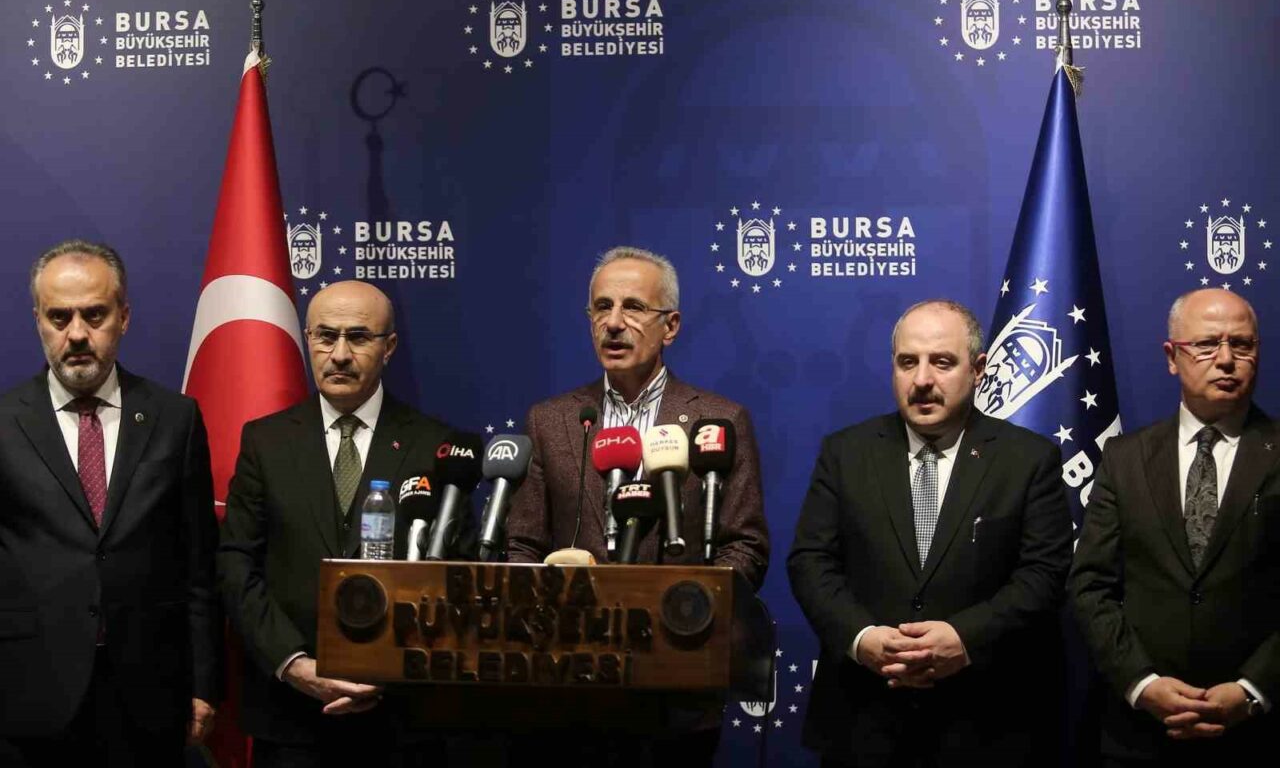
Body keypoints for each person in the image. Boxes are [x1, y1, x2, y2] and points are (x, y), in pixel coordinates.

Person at [504, 246, 770, 765]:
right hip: (569, 685)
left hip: (677, 687)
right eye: (602, 307)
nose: (613, 323)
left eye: (633, 308)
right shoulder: (551, 420)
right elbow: (522, 544)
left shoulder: (719, 420)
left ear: (670, 326)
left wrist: (687, 610)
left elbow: (746, 547)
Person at [788, 299, 1072, 766]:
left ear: (978, 369)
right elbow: (811, 562)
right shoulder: (845, 453)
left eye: (942, 362)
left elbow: (1044, 574)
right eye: (907, 362)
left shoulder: (1029, 459)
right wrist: (862, 638)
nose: (922, 379)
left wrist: (965, 638)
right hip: (864, 722)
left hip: (986, 725)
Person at [218, 280, 472, 766]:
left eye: (357, 337)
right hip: (290, 717)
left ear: (389, 347)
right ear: (307, 338)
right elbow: (236, 565)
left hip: (400, 721)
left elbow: (456, 575)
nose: (338, 354)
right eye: (325, 336)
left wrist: (390, 670)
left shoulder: (435, 446)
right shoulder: (265, 442)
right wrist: (295, 664)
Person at [0, 240, 220, 765]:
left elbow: (199, 567)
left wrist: (204, 684)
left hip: (149, 694)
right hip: (28, 694)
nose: (77, 333)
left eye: (94, 314)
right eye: (59, 317)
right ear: (37, 321)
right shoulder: (4, 424)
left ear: (123, 317)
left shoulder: (176, 419)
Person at [1071, 289, 1277, 763]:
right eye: (1206, 345)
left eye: (1241, 344)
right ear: (1171, 357)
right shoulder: (1124, 459)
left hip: (1260, 736)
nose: (1225, 359)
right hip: (1138, 736)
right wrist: (1142, 683)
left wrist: (1252, 690)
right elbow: (1090, 585)